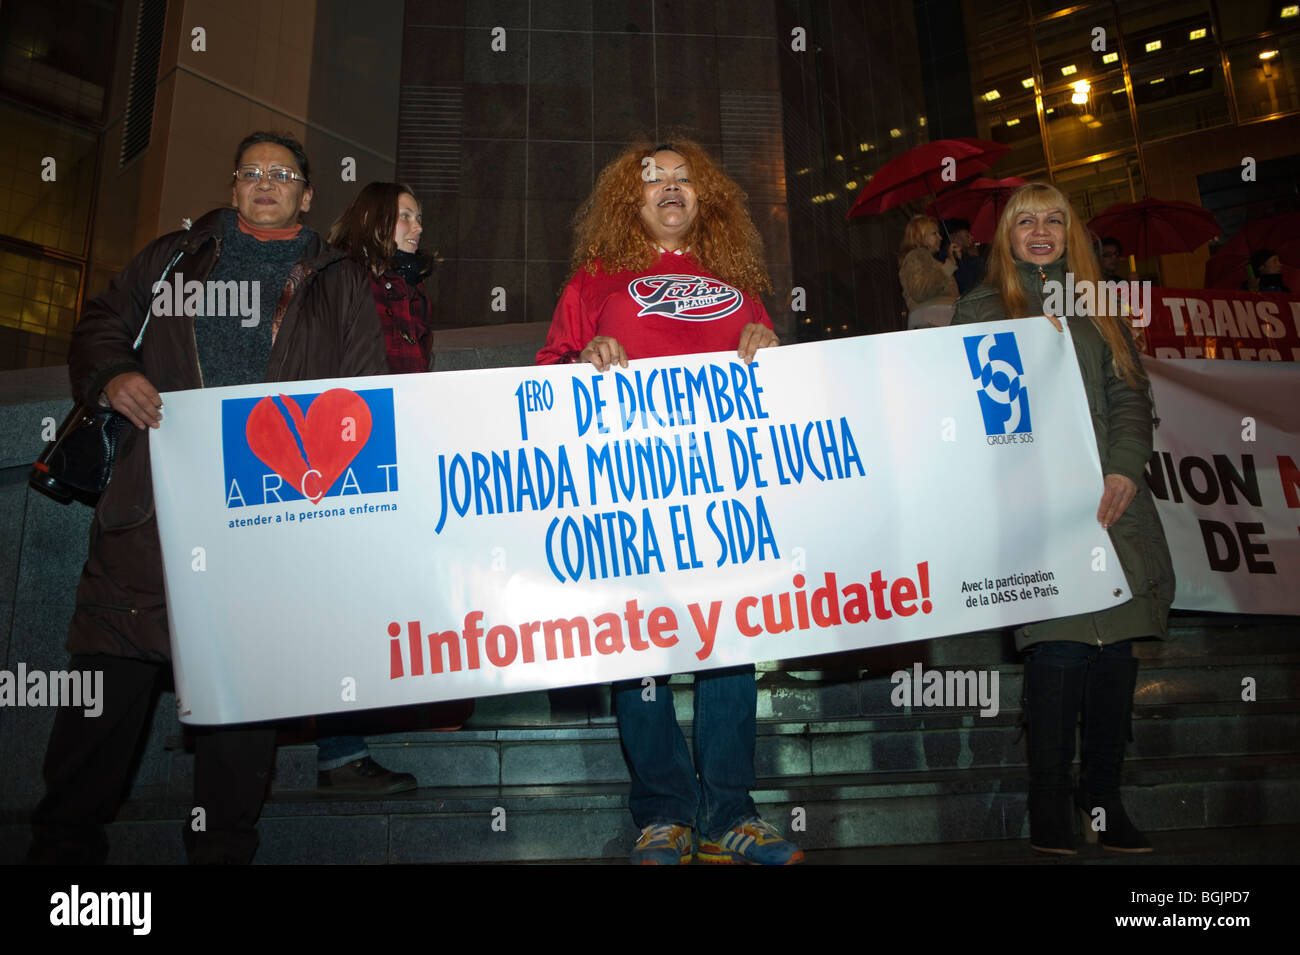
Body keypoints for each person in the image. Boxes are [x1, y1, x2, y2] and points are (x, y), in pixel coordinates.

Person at [27, 131, 389, 863]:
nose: (265, 182)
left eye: (281, 173)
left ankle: (222, 852)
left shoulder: (338, 279)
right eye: (251, 171)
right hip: (149, 520)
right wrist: (112, 375)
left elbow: (363, 396)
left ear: (306, 194)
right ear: (233, 185)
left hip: (268, 531)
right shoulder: (171, 258)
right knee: (102, 708)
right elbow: (99, 321)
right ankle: (62, 861)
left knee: (240, 715)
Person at [536, 139, 803, 865]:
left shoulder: (737, 282)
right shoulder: (594, 283)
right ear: (632, 199)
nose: (672, 189)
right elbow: (543, 380)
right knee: (642, 654)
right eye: (655, 180)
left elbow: (782, 393)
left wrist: (770, 343)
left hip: (725, 498)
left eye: (686, 179)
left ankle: (731, 814)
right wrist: (579, 361)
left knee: (728, 652)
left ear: (705, 196)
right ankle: (664, 814)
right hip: (627, 500)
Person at [952, 182, 1175, 855]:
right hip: (1037, 509)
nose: (1042, 231)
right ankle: (1048, 799)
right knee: (1061, 643)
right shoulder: (981, 309)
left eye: (1055, 220)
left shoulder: (1099, 308)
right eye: (1027, 222)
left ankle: (1102, 798)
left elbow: (1132, 398)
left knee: (1117, 648)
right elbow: (970, 413)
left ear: (1069, 232)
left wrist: (1124, 468)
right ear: (1007, 237)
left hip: (1113, 504)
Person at [898, 215, 957, 327]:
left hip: (940, 321)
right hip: (932, 322)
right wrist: (948, 267)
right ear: (921, 236)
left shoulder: (929, 260)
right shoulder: (916, 256)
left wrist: (951, 262)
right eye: (934, 234)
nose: (940, 238)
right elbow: (921, 290)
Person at [943, 217, 985, 294]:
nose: (972, 238)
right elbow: (967, 286)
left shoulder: (968, 255)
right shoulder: (945, 258)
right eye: (967, 236)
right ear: (954, 238)